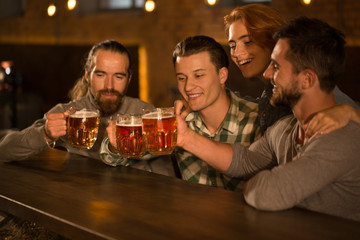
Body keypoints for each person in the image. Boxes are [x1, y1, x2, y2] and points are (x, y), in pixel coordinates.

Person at [175, 17, 360, 221]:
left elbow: (266, 194)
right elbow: (243, 161)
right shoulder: (284, 128)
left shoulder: (340, 139)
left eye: (276, 67)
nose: (267, 72)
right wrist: (185, 138)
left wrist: (260, 182)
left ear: (307, 79)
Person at [100, 35, 260, 191]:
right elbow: (115, 157)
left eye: (198, 75)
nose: (188, 86)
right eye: (182, 78)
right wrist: (116, 145)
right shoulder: (178, 120)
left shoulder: (257, 119)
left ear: (222, 75)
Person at [0, 40, 159, 164]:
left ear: (129, 79)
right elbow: (4, 151)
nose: (109, 86)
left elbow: (164, 168)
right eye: (100, 75)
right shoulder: (68, 112)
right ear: (87, 75)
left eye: (118, 76)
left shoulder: (145, 113)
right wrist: (45, 134)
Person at [224, 4, 360, 136]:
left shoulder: (304, 85)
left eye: (248, 42)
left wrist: (351, 112)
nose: (236, 53)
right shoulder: (271, 92)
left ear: (274, 41)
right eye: (232, 45)